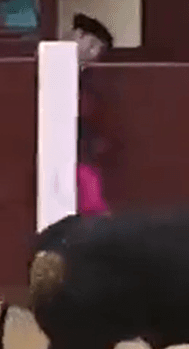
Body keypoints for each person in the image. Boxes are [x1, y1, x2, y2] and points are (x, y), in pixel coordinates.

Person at [64, 13, 114, 215]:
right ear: (80, 35)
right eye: (93, 46)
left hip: (81, 151)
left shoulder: (91, 77)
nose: (95, 54)